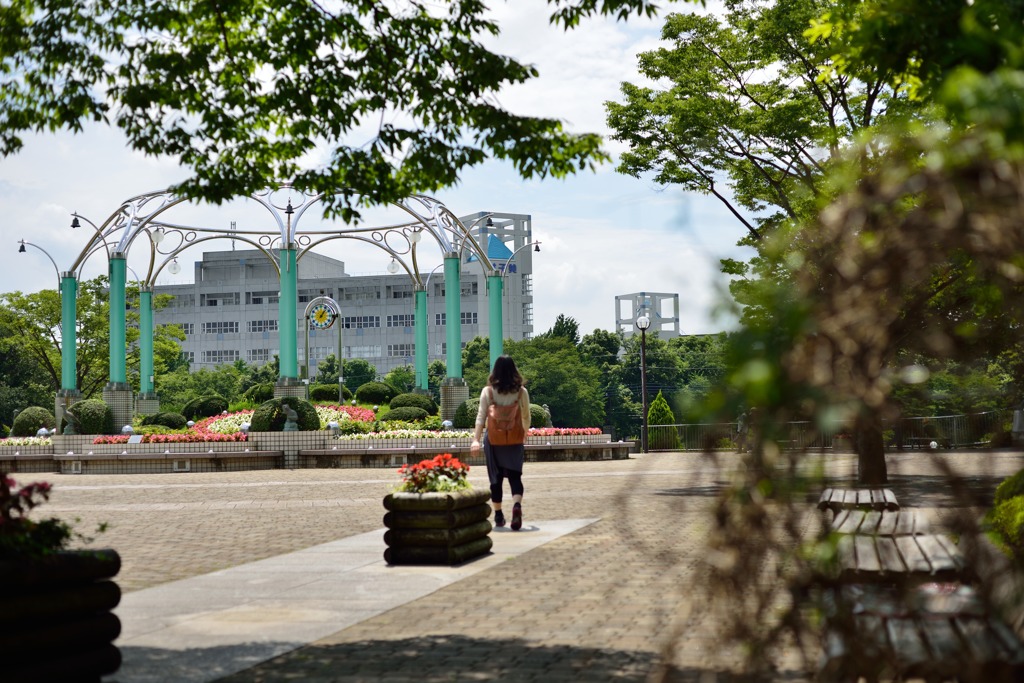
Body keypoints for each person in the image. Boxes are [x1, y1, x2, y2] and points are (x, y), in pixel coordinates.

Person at [471, 355, 531, 531]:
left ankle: (498, 515)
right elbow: (526, 416)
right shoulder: (521, 392)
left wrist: (475, 439)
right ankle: (517, 506)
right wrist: (524, 433)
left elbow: (481, 417)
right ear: (514, 370)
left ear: (495, 370)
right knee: (515, 476)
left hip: (494, 440)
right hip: (514, 439)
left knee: (495, 478)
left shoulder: (488, 392)